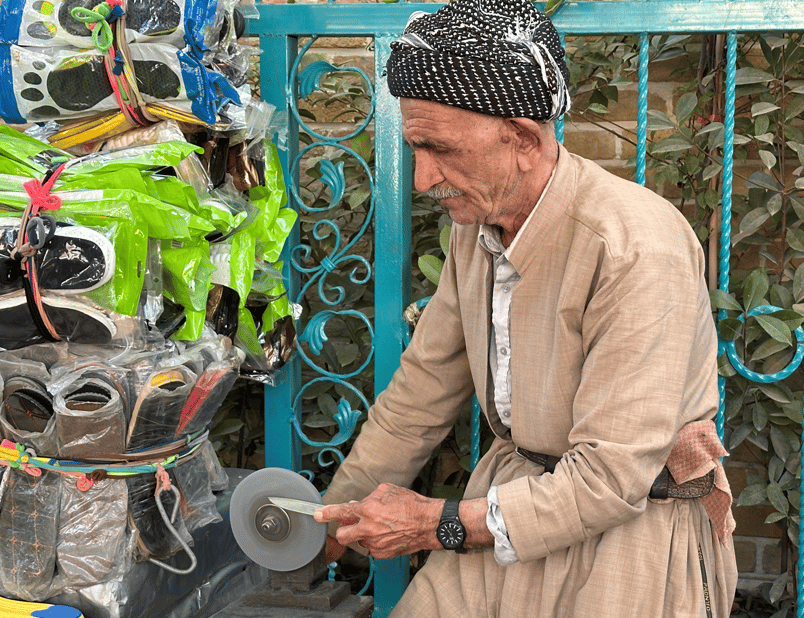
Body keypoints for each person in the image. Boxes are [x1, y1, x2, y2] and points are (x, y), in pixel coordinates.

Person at [313, 0, 738, 615]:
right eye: (415, 149)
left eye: (441, 149)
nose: (423, 179)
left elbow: (611, 478)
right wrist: (329, 523)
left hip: (633, 528)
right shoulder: (475, 229)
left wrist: (438, 524)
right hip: (510, 498)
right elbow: (421, 395)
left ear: (523, 140)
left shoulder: (635, 246)